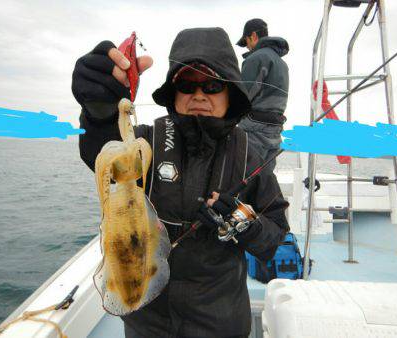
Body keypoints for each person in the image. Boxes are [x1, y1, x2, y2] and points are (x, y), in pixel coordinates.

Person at [72, 27, 289, 338]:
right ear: (174, 93)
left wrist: (242, 220)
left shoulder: (248, 157)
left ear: (230, 93)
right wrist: (99, 109)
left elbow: (276, 237)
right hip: (147, 324)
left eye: (213, 85)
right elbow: (102, 151)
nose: (199, 94)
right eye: (187, 84)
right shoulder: (145, 142)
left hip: (220, 324)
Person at [236, 18, 289, 171]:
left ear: (253, 36)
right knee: (265, 180)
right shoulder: (281, 63)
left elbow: (243, 97)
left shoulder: (256, 58)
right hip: (275, 130)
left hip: (254, 130)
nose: (247, 47)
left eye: (246, 42)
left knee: (244, 176)